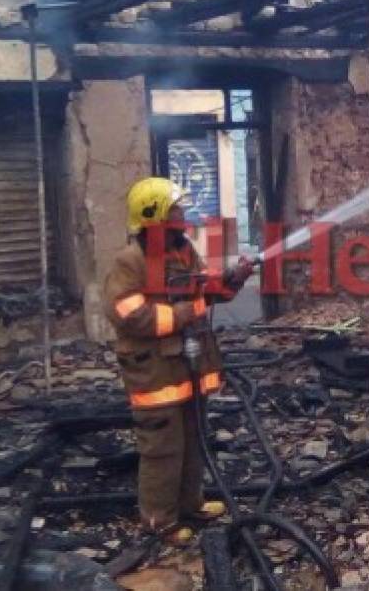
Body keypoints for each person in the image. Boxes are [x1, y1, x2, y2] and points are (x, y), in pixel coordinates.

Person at [105, 177, 255, 535]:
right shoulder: (131, 261)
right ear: (154, 216)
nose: (184, 216)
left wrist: (233, 278)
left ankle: (191, 504)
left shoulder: (182, 250)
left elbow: (203, 288)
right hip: (155, 373)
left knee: (192, 441)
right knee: (162, 450)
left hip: (188, 367)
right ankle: (161, 521)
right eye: (176, 211)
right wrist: (181, 315)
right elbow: (127, 314)